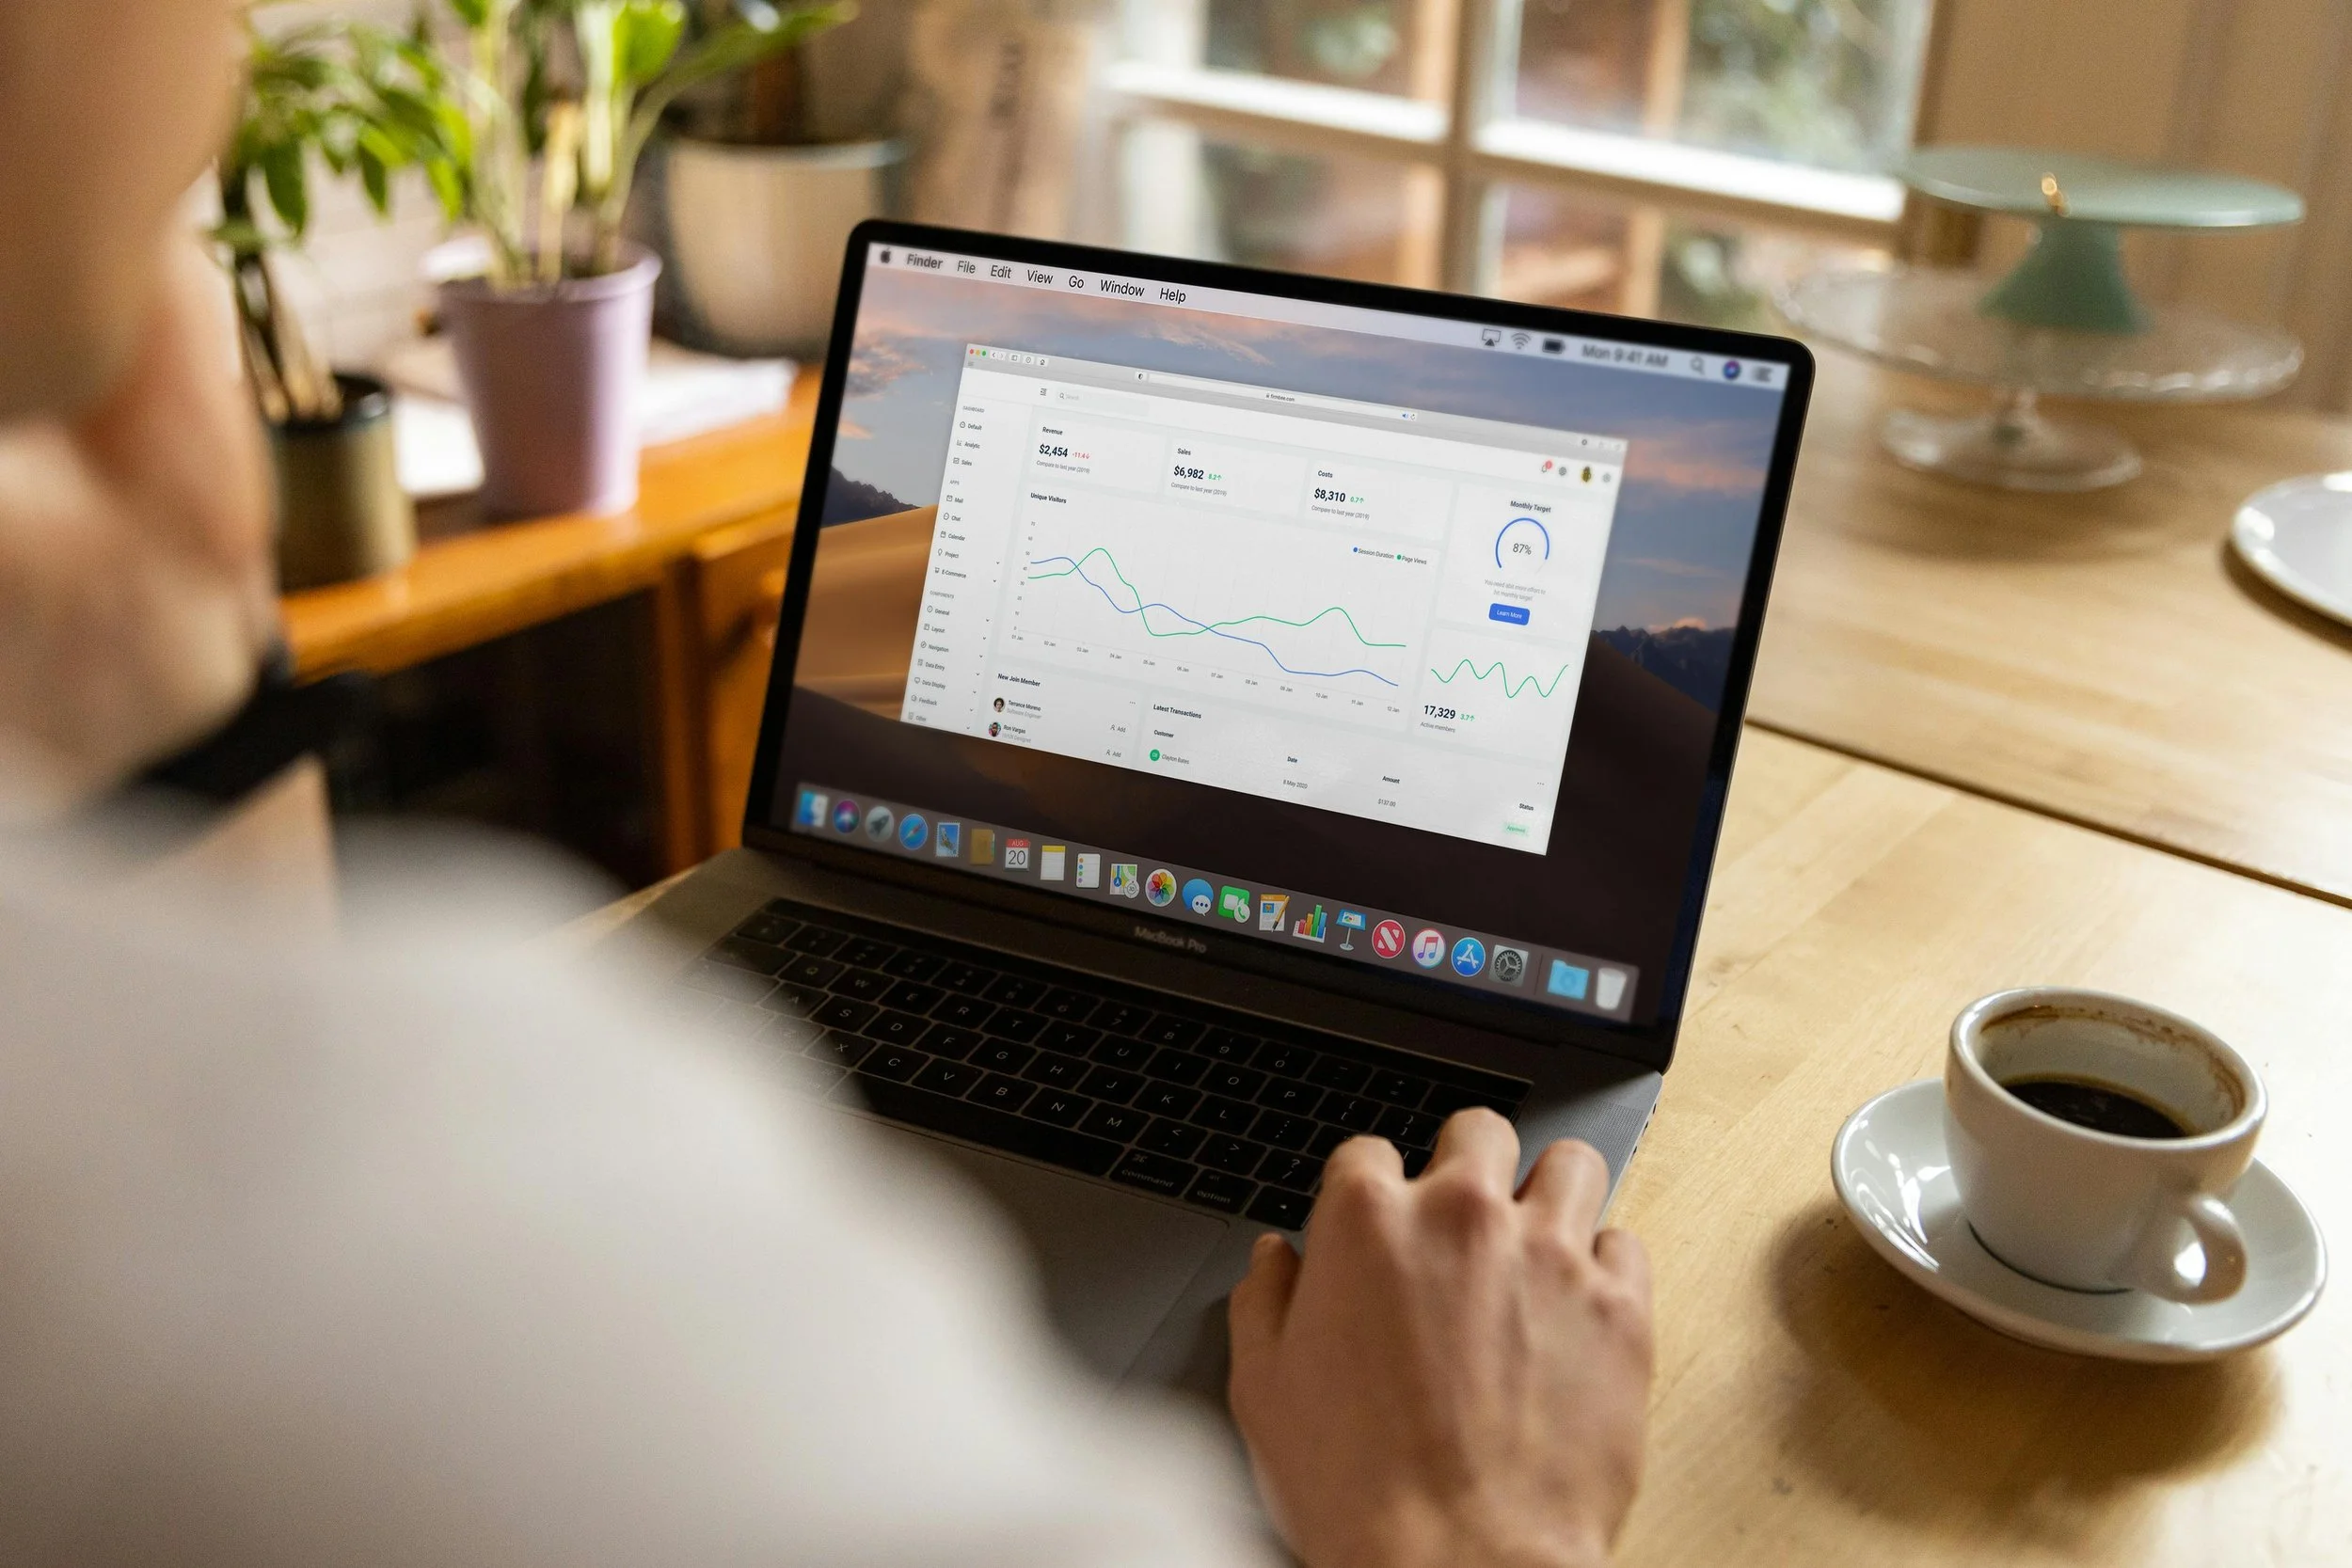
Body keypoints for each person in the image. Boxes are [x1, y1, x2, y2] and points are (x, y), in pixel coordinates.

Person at [0, 5, 1655, 1563]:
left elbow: (216, 1058)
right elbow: (257, 1150)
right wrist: (1479, 1514)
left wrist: (178, 734)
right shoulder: (415, 1200)